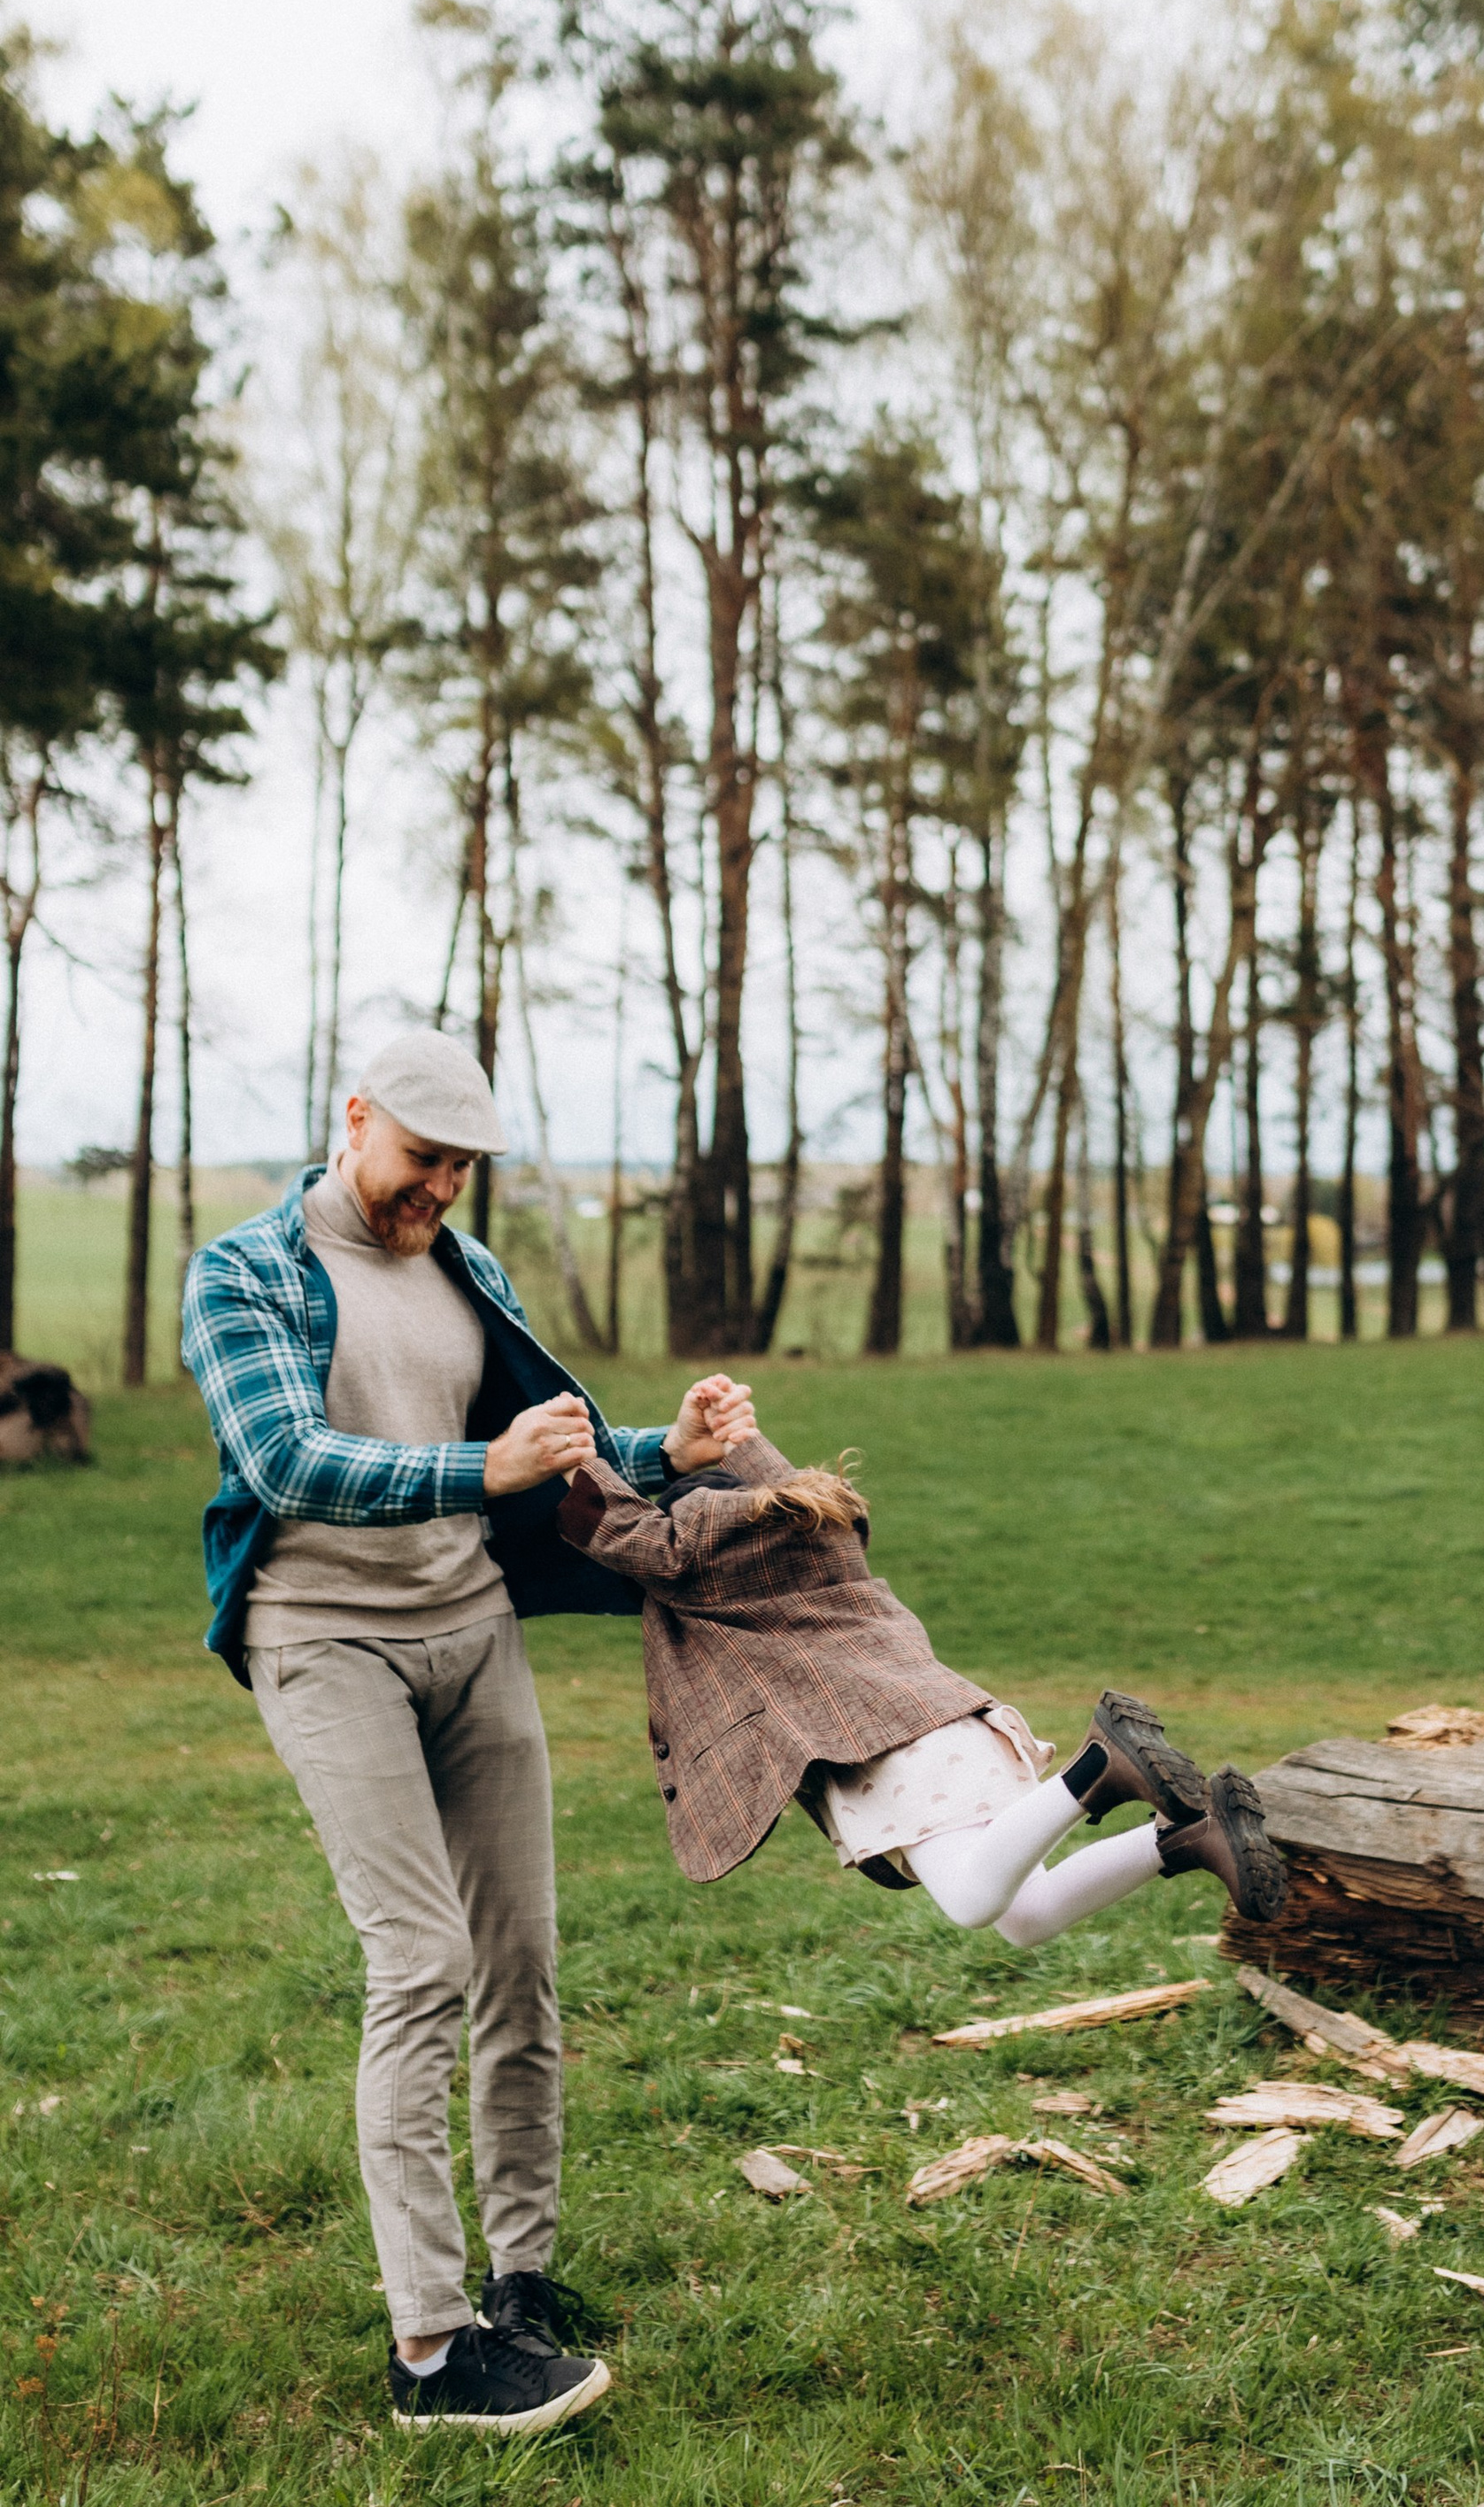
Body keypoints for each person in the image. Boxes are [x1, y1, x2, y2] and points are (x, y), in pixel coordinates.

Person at [182, 1029, 760, 2436]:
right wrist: (478, 1468)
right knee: (421, 1961)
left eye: (461, 1168)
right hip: (325, 1639)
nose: (438, 1187)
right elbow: (288, 1462)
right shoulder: (247, 1272)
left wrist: (664, 1451)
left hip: (471, 1629)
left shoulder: (465, 1269)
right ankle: (434, 2354)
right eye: (421, 1157)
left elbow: (535, 1454)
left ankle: (521, 2286)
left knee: (519, 1960)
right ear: (354, 1118)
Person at [553, 1427, 1293, 1937]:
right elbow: (774, 1486)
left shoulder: (699, 1562)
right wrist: (740, 1440)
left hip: (890, 1755)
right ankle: (1188, 1836)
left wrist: (578, 1464)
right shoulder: (822, 1531)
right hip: (953, 1727)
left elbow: (630, 1536)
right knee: (1026, 1916)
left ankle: (1100, 1769)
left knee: (972, 1903)